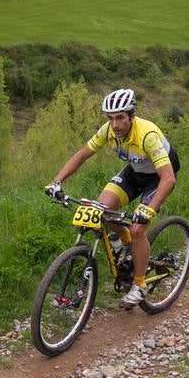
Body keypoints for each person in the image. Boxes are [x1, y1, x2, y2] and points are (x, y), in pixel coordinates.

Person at [45, 88, 178, 308]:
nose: (115, 124)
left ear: (131, 117)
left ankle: (139, 285)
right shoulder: (107, 131)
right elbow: (81, 155)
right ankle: (125, 245)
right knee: (101, 210)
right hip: (135, 172)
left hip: (159, 176)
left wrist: (148, 210)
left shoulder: (147, 135)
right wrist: (56, 182)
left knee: (138, 229)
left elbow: (168, 179)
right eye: (110, 118)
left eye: (120, 118)